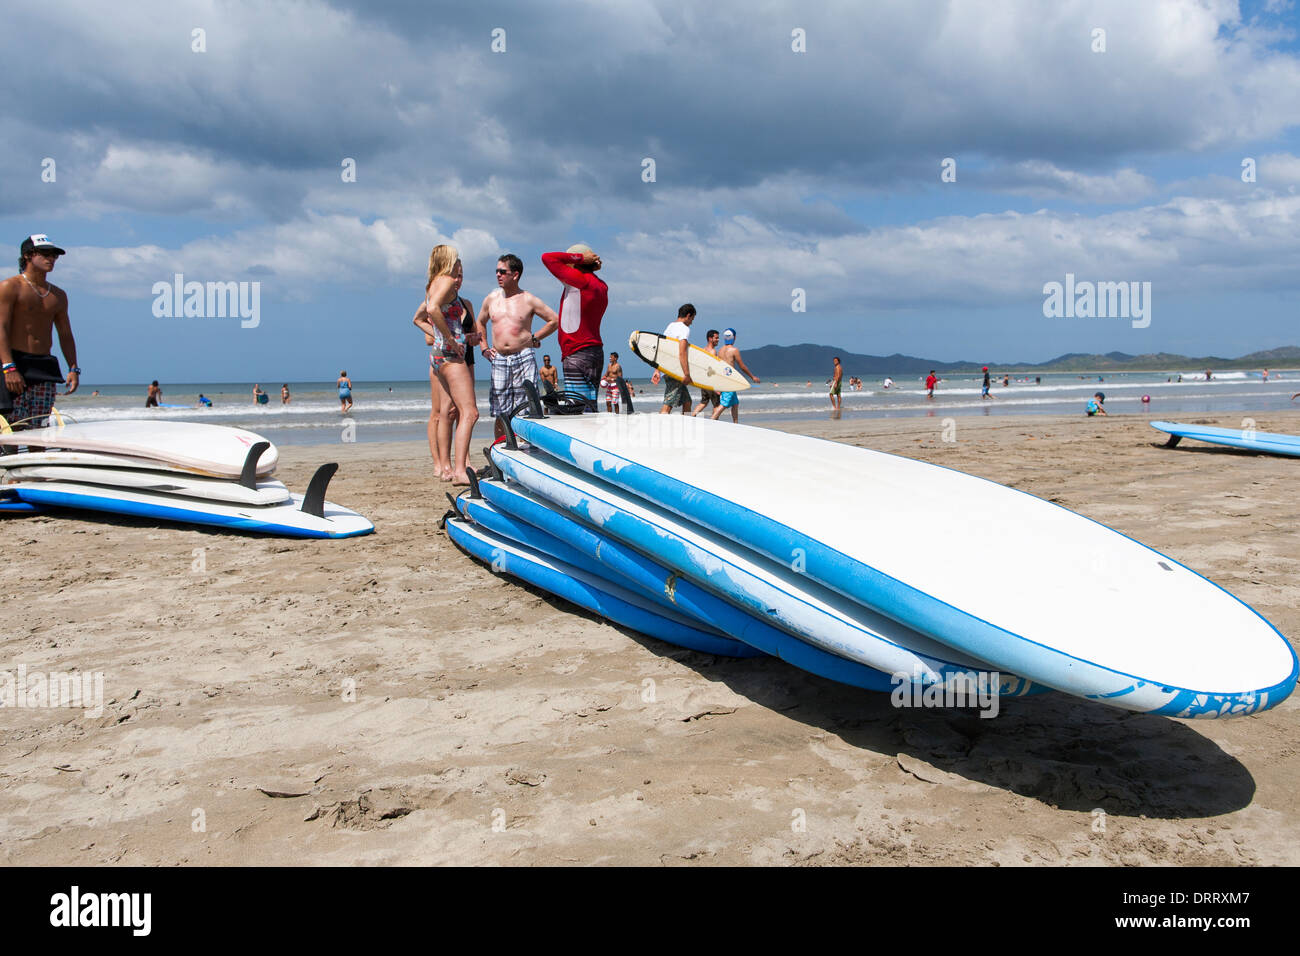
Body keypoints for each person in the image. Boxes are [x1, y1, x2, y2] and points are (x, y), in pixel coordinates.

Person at [0, 235, 80, 431]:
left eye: (54, 255)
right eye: (45, 253)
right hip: (14, 361)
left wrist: (73, 368)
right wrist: (8, 367)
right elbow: (1, 327)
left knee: (41, 424)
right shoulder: (10, 287)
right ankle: (11, 461)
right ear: (28, 255)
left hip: (44, 364)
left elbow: (65, 334)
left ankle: (39, 460)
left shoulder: (58, 295)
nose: (51, 258)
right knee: (13, 425)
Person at [413, 245, 478, 485]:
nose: (459, 269)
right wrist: (451, 339)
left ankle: (451, 467)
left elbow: (423, 315)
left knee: (453, 412)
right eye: (457, 262)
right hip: (450, 356)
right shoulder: (447, 282)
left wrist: (453, 337)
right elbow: (431, 310)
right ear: (449, 261)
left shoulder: (433, 284)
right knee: (469, 412)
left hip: (438, 356)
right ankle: (460, 470)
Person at [477, 254, 558, 437]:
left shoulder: (528, 299)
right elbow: (480, 322)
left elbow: (554, 320)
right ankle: (500, 450)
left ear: (515, 274)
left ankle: (525, 447)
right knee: (500, 410)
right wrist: (483, 347)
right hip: (498, 358)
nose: (498, 275)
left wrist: (535, 338)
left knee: (526, 407)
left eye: (502, 271)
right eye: (497, 271)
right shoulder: (491, 299)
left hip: (523, 356)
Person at [542, 244, 607, 410]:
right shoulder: (601, 285)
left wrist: (578, 258)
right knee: (590, 406)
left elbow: (547, 257)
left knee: (579, 409)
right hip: (594, 351)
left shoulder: (579, 281)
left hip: (576, 352)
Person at [711, 328, 759, 423]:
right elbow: (742, 366)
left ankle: (736, 423)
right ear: (734, 337)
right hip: (730, 380)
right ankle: (712, 420)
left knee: (735, 403)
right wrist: (752, 377)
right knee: (724, 403)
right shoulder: (734, 350)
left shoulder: (720, 350)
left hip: (723, 378)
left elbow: (717, 367)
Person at [658, 304, 696, 414]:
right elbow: (682, 352)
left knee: (687, 401)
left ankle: (686, 425)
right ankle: (659, 426)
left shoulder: (670, 326)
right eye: (692, 319)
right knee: (669, 402)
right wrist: (687, 374)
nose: (692, 322)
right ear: (688, 316)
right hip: (675, 370)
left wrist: (657, 369)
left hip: (666, 368)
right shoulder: (684, 329)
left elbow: (662, 348)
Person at [691, 329, 722, 416]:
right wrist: (716, 386)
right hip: (710, 381)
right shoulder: (713, 352)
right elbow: (711, 369)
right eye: (716, 338)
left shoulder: (702, 350)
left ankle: (692, 416)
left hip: (703, 381)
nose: (718, 340)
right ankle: (714, 423)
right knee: (717, 404)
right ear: (710, 339)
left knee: (704, 402)